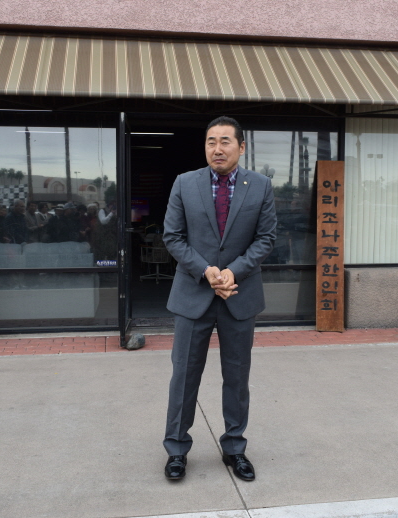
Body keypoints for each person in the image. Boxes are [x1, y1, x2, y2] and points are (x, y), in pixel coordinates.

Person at [161, 116, 276, 482]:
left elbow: (266, 238)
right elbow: (173, 236)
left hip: (239, 295)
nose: (217, 148)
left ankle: (235, 448)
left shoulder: (261, 186)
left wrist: (232, 272)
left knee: (237, 377)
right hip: (193, 294)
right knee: (184, 376)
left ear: (241, 147)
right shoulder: (184, 183)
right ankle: (176, 449)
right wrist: (207, 271)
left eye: (226, 141)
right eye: (211, 141)